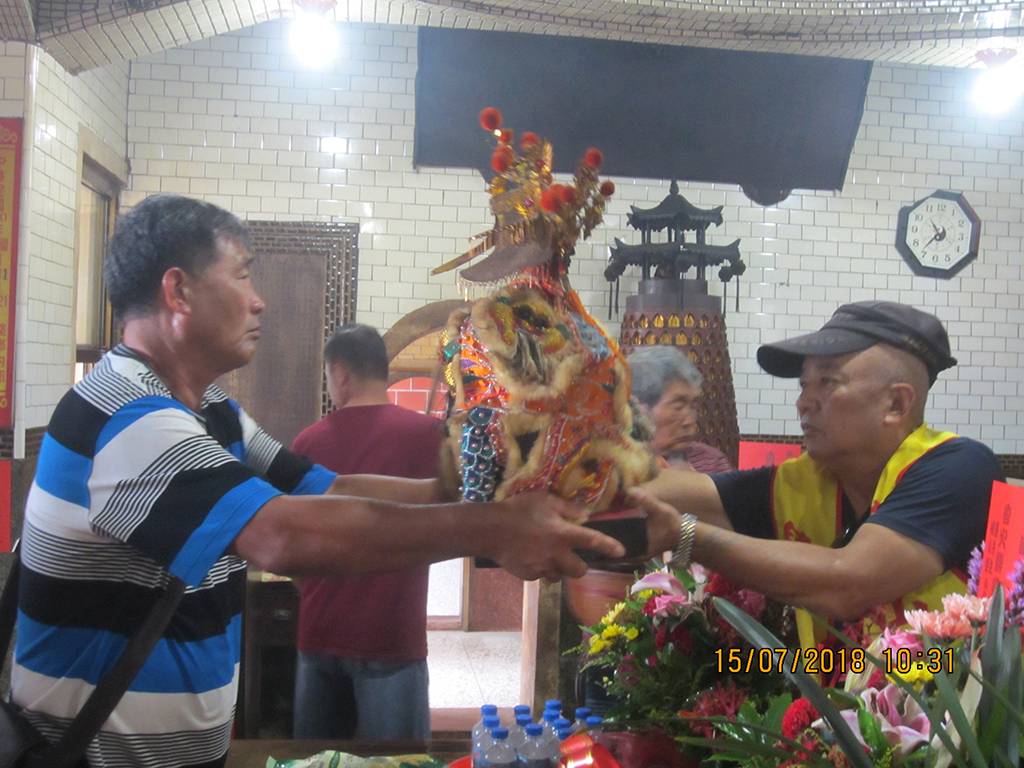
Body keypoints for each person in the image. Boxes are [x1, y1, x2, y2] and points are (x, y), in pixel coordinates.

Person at [10, 195, 680, 768]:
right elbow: (280, 536)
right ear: (178, 291)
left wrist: (485, 486)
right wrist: (490, 528)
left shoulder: (212, 412)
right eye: (242, 276)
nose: (258, 300)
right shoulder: (126, 416)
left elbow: (325, 489)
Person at [632, 301, 1003, 651]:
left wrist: (685, 536)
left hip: (942, 695)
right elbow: (680, 491)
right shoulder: (808, 480)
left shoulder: (961, 468)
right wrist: (603, 470)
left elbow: (848, 583)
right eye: (804, 384)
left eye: (827, 381)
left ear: (896, 404)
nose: (803, 402)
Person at [291, 323, 441, 741]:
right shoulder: (428, 437)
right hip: (393, 632)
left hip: (320, 631)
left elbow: (290, 540)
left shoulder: (307, 444)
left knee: (315, 763)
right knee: (398, 764)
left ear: (340, 374)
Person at [629, 346, 733, 472]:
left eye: (693, 406)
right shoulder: (614, 466)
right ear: (638, 409)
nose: (689, 422)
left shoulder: (711, 464)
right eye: (677, 407)